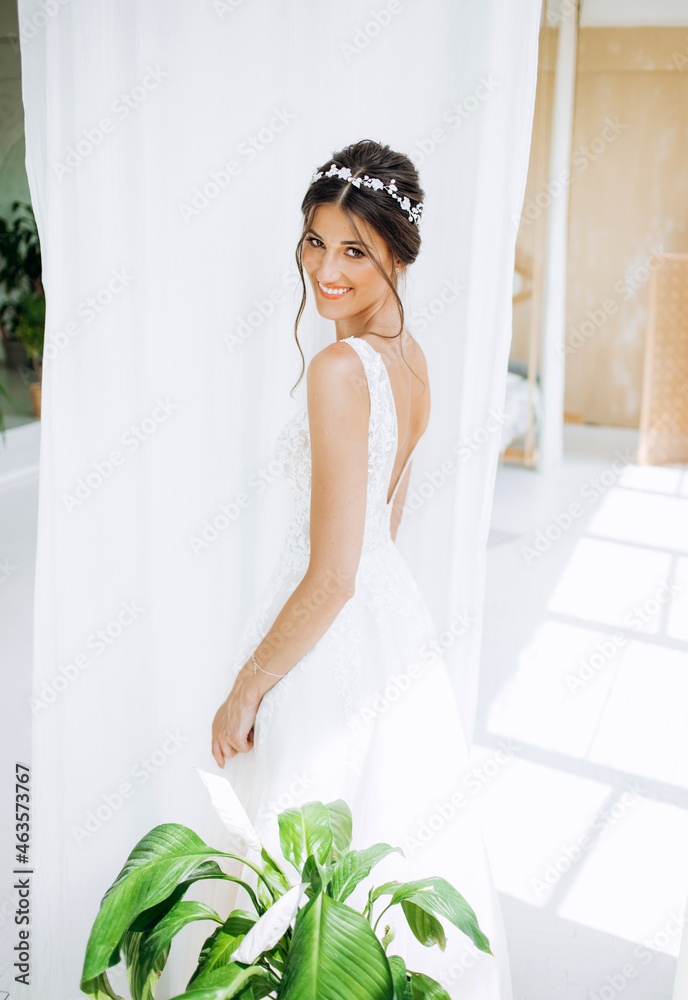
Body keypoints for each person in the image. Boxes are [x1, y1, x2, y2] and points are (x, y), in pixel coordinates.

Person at [205, 139, 512, 997]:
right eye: (314, 241)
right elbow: (384, 528)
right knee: (379, 871)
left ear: (398, 255)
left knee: (302, 897)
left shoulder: (341, 368)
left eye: (354, 249)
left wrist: (249, 684)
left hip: (334, 625)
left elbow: (335, 573)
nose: (325, 269)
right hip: (390, 620)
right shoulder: (410, 359)